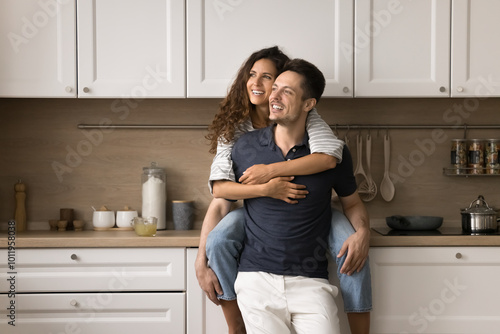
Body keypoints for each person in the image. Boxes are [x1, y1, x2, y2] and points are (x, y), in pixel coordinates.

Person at [195, 47, 371, 333]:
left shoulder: (316, 127)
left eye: (270, 79)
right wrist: (266, 188)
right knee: (219, 241)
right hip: (255, 225)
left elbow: (328, 159)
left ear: (307, 102)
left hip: (312, 250)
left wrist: (272, 170)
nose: (262, 86)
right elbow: (219, 194)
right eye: (253, 76)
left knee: (352, 245)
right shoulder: (240, 137)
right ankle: (235, 326)